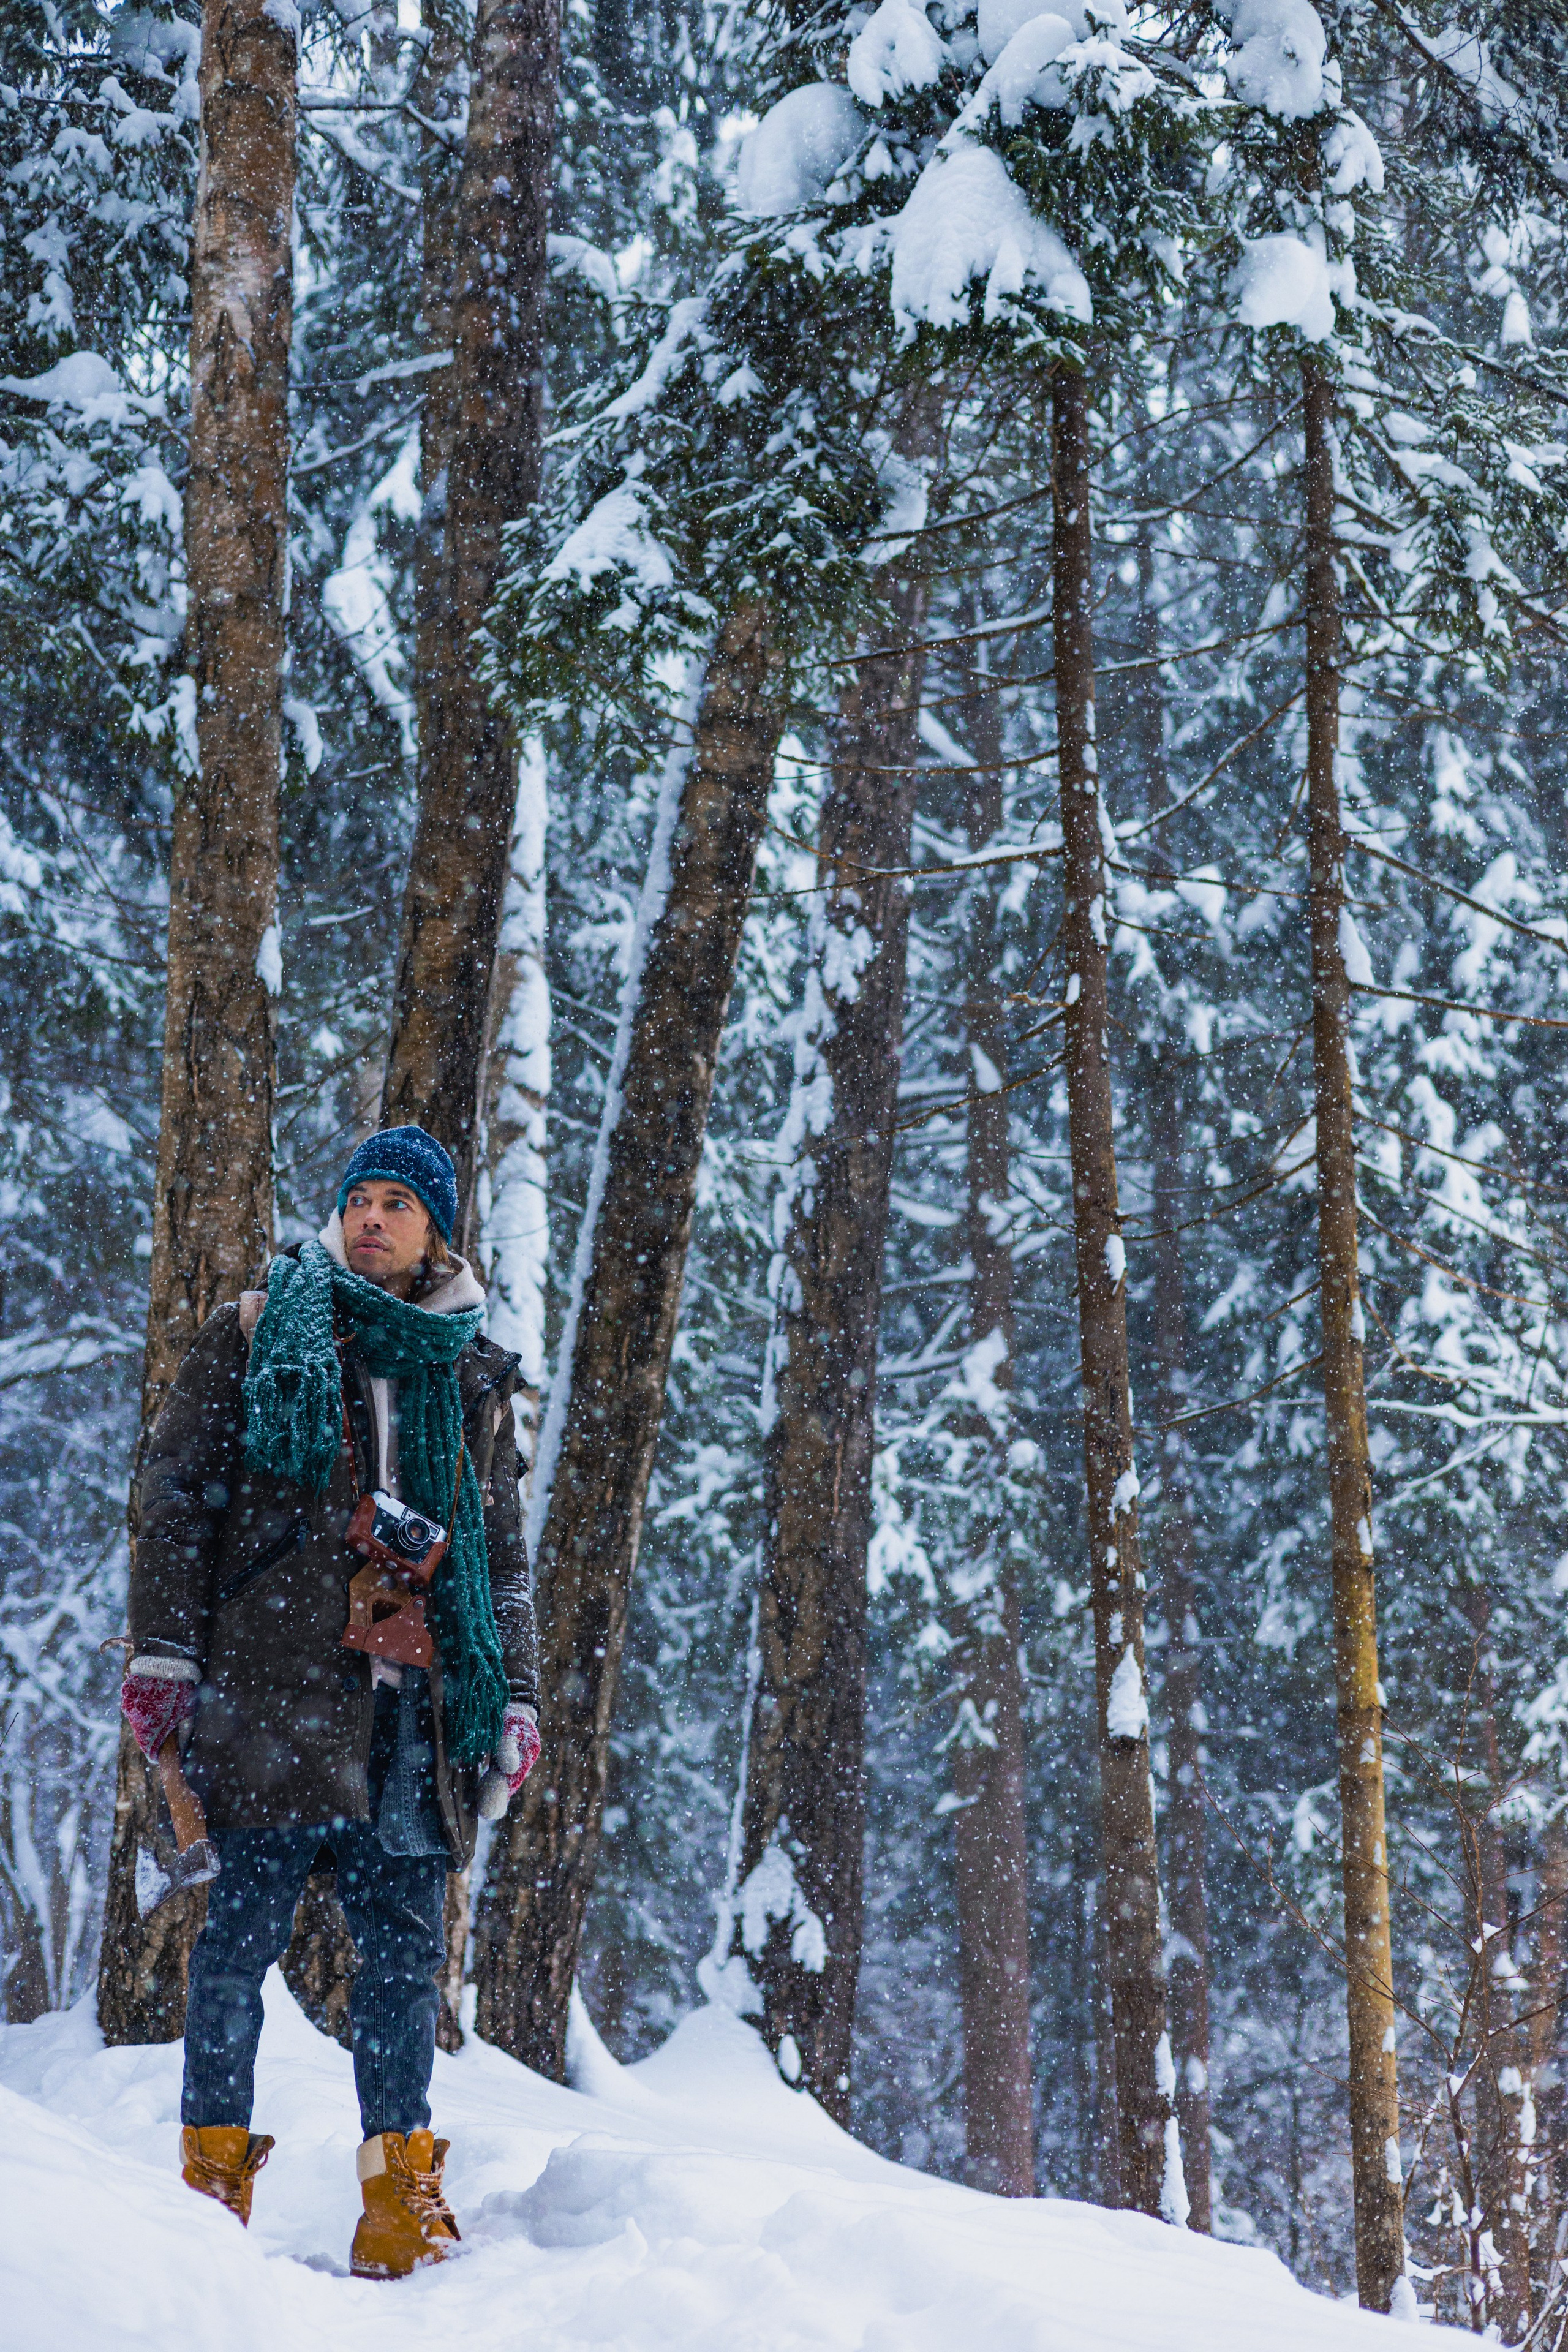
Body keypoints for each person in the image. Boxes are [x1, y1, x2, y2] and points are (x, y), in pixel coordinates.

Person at [119, 1126, 541, 2278]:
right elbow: (177, 1499)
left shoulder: (471, 1371)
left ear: (435, 1230)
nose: (372, 1218)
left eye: (399, 1202)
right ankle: (210, 2192)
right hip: (272, 1694)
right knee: (236, 1947)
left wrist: (517, 1698)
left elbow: (502, 1559)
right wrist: (166, 1655)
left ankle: (400, 2198)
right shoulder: (264, 1329)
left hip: (415, 1712)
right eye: (361, 1198)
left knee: (404, 1961)